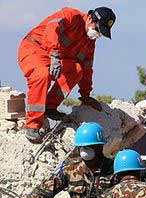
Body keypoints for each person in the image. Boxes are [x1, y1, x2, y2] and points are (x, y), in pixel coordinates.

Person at [18, 7, 116, 143]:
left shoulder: (89, 42)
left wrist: (86, 94)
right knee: (42, 75)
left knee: (77, 70)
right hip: (34, 48)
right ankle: (32, 125)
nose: (98, 34)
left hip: (54, 58)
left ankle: (50, 108)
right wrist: (54, 54)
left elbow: (87, 68)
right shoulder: (70, 15)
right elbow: (52, 28)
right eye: (98, 30)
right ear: (90, 19)